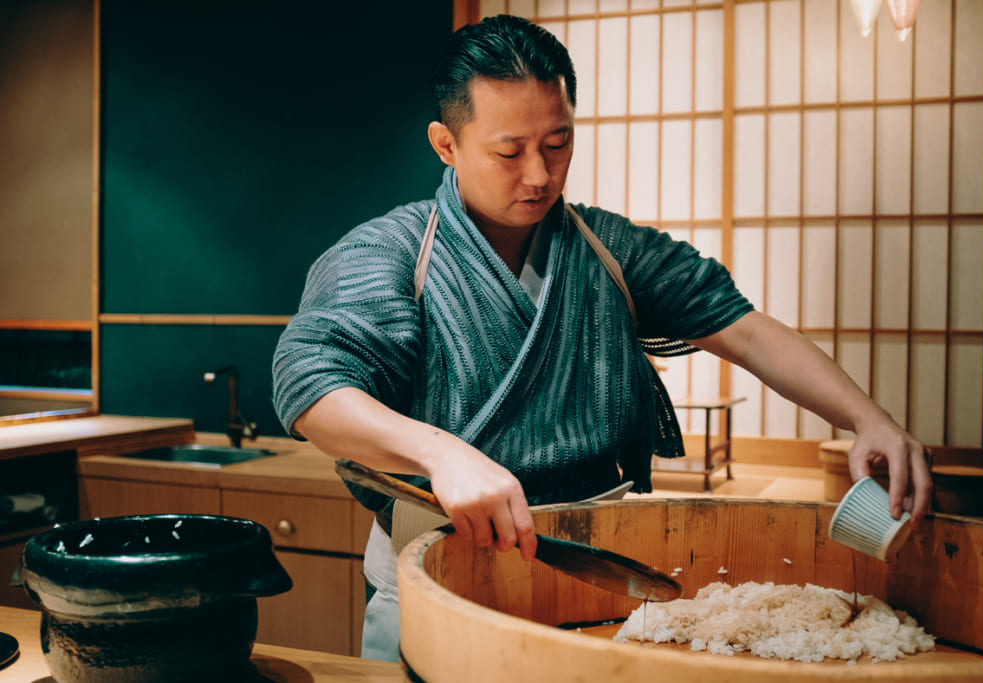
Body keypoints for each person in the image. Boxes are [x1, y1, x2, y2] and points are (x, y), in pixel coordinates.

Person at [272, 14, 932, 662]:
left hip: (595, 575)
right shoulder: (389, 253)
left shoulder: (607, 249)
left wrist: (866, 418)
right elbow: (310, 386)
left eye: (557, 144)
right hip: (434, 568)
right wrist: (440, 454)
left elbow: (748, 331)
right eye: (509, 151)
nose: (538, 174)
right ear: (446, 144)